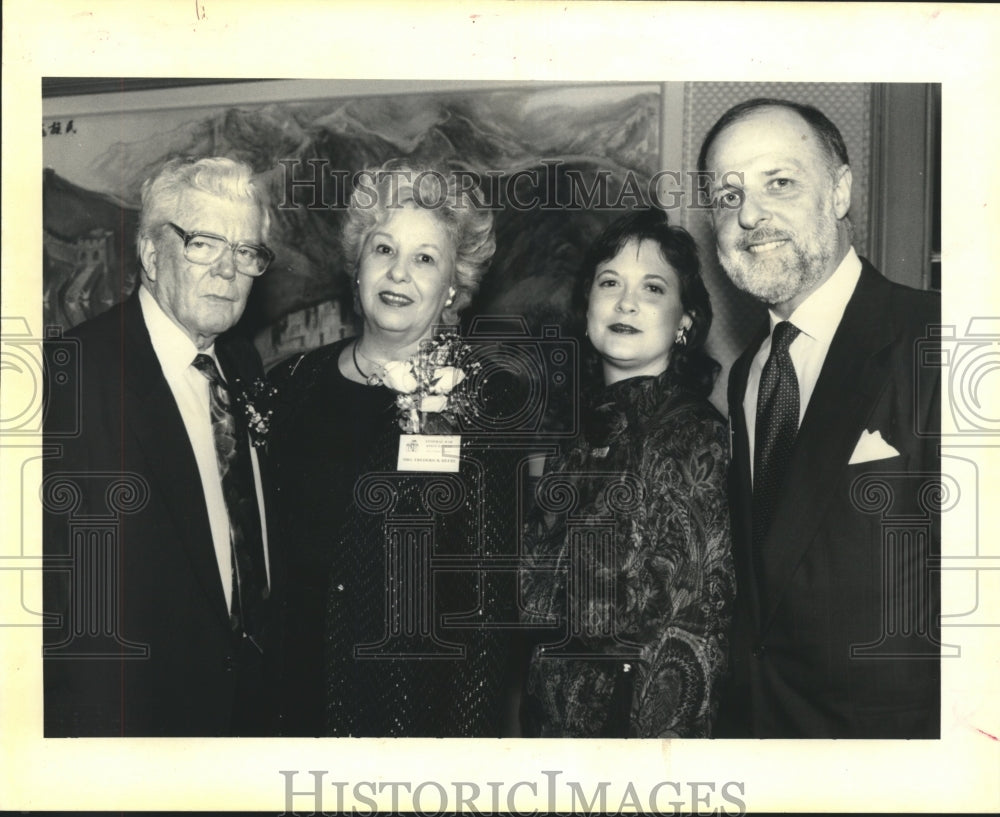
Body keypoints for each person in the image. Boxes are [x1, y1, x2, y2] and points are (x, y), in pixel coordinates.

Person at [699, 98, 941, 738]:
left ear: (839, 192)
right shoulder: (746, 374)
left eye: (779, 182)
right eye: (727, 197)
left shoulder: (941, 340)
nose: (750, 214)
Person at [269, 161, 517, 736]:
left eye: (425, 258)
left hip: (411, 711)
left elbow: (487, 609)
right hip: (288, 699)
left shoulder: (485, 401)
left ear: (454, 285)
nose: (398, 273)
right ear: (357, 267)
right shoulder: (288, 386)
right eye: (383, 249)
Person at [42, 156, 281, 736]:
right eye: (204, 243)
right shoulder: (70, 377)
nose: (228, 270)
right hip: (131, 728)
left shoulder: (243, 365)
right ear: (152, 256)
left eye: (246, 251)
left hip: (246, 715)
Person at [519, 208, 734, 738]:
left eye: (653, 288)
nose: (626, 302)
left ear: (685, 322)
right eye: (609, 282)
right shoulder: (578, 434)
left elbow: (691, 641)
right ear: (587, 305)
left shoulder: (693, 437)